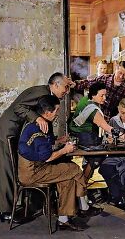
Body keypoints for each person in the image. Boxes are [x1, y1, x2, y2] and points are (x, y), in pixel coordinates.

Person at [0, 72, 74, 222]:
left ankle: (20, 205)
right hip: (5, 131)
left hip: (15, 133)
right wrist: (37, 118)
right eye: (65, 87)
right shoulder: (41, 92)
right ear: (55, 85)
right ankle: (5, 212)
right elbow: (18, 107)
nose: (66, 92)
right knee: (7, 171)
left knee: (14, 170)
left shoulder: (47, 94)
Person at [18, 95, 101, 231]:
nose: (57, 114)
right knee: (74, 169)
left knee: (68, 179)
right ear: (47, 112)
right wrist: (65, 150)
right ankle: (84, 206)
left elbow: (41, 147)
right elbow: (47, 157)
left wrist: (58, 141)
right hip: (32, 172)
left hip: (37, 167)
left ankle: (64, 220)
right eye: (56, 110)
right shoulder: (39, 129)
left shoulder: (40, 124)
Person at [68, 82, 116, 179]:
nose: (105, 98)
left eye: (105, 95)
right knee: (97, 157)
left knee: (98, 154)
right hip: (83, 135)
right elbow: (106, 127)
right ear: (93, 95)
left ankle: (83, 181)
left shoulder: (86, 99)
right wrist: (123, 135)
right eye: (102, 95)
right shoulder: (92, 109)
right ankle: (82, 185)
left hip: (79, 132)